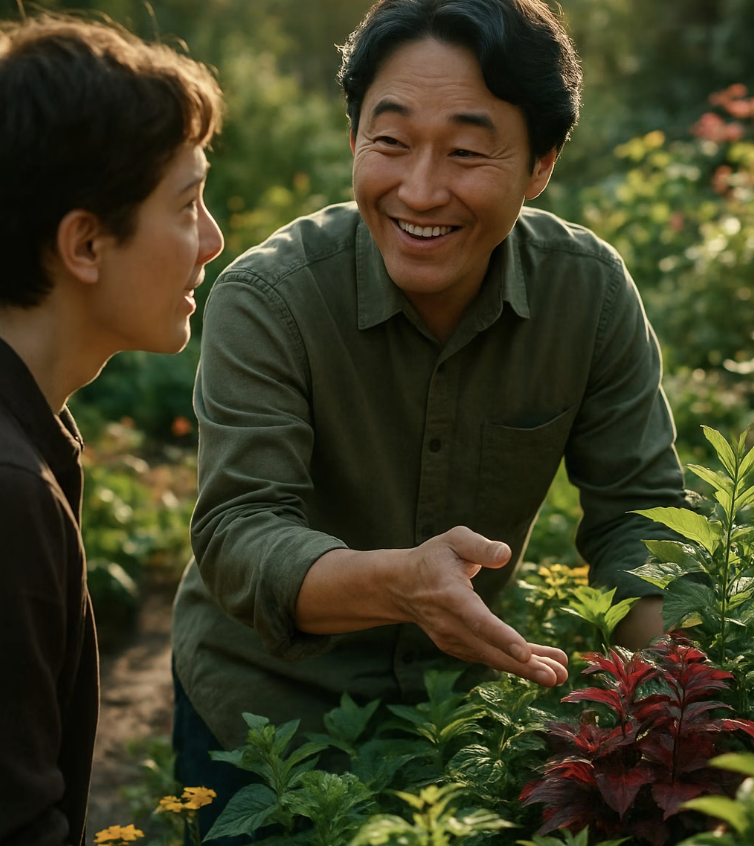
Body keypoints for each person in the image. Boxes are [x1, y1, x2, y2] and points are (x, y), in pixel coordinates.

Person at [172, 0, 687, 831]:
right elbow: (240, 534)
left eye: (468, 151)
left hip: (460, 718)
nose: (419, 189)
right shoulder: (270, 298)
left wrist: (676, 692)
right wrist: (404, 585)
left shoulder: (584, 294)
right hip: (266, 722)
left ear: (542, 164)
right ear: (353, 140)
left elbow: (639, 514)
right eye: (391, 141)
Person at [0, 14, 224, 845]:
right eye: (188, 203)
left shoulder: (30, 443)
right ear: (86, 242)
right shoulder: (10, 492)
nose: (212, 240)